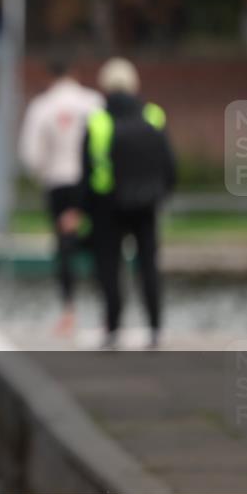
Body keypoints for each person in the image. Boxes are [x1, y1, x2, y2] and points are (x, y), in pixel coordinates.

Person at [62, 58, 176, 350]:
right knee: (148, 266)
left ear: (104, 86)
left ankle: (113, 328)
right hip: (146, 203)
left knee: (109, 268)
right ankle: (155, 328)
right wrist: (162, 194)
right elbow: (168, 163)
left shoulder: (98, 120)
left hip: (107, 205)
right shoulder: (153, 116)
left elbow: (87, 170)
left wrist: (81, 208)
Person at [18, 57, 102, 335]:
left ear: (49, 77)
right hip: (90, 183)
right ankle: (107, 310)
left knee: (64, 248)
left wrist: (43, 174)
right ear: (75, 73)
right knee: (101, 244)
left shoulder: (42, 106)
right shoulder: (94, 102)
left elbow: (30, 154)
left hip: (58, 184)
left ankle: (68, 312)